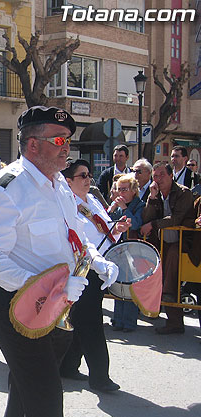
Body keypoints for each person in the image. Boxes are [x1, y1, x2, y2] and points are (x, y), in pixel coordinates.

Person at [0, 106, 119, 417]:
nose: (66, 147)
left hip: (55, 305)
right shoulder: (4, 188)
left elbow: (75, 237)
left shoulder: (58, 186)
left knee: (25, 397)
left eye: (68, 140)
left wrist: (98, 261)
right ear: (33, 144)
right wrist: (48, 286)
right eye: (59, 140)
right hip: (14, 306)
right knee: (47, 401)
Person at [58, 159, 129, 392]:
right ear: (68, 181)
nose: (88, 179)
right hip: (81, 269)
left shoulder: (95, 201)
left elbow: (107, 235)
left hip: (100, 266)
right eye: (82, 176)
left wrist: (117, 230)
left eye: (89, 175)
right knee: (91, 323)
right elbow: (80, 241)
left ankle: (68, 365)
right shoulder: (67, 205)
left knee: (81, 320)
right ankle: (100, 376)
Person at [140, 161, 196, 334]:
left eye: (162, 175)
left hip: (183, 242)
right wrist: (152, 198)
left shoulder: (183, 193)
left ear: (171, 175)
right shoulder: (155, 192)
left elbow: (176, 219)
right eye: (155, 176)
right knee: (158, 269)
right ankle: (171, 319)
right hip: (162, 241)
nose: (158, 179)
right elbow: (146, 218)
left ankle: (172, 312)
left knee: (171, 273)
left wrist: (153, 224)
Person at [109, 173, 145, 331]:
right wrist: (113, 208)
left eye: (124, 189)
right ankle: (118, 320)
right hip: (118, 249)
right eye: (119, 189)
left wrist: (124, 209)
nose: (121, 193)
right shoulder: (117, 204)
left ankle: (129, 322)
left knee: (130, 286)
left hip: (134, 250)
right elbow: (107, 222)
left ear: (133, 190)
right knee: (119, 285)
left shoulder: (140, 205)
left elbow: (136, 224)